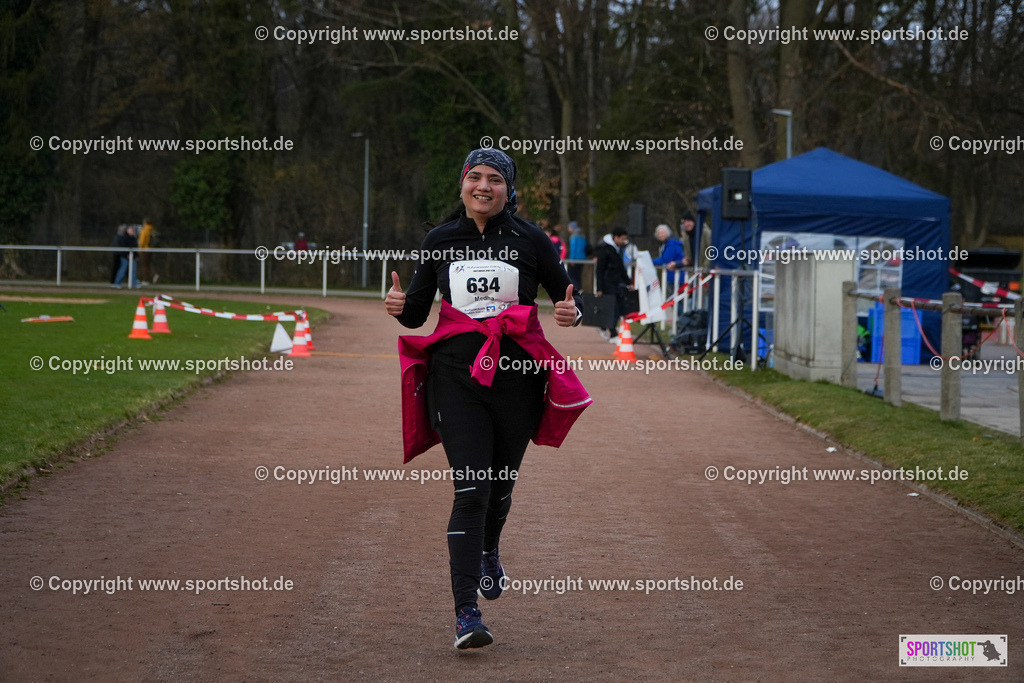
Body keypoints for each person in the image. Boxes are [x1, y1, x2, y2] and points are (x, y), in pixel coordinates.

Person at [385, 148, 591, 650]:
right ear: (462, 185)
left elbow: (568, 296)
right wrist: (398, 306)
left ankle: (489, 550)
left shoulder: (530, 239)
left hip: (518, 380)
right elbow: (416, 313)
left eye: (494, 179)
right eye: (474, 177)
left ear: (508, 189)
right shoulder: (440, 239)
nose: (483, 186)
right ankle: (466, 614)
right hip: (456, 380)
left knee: (499, 489)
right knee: (472, 490)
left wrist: (573, 312)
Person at [594, 227, 633, 341]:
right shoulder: (605, 250)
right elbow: (599, 270)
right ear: (616, 237)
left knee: (618, 307)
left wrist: (629, 283)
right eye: (623, 239)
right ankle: (613, 333)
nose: (624, 241)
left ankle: (604, 326)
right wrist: (599, 288)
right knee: (612, 308)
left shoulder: (617, 250)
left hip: (616, 284)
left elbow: (621, 268)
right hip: (607, 283)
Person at [651, 224, 685, 290]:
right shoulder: (666, 244)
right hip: (672, 276)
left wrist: (651, 261)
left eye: (663, 233)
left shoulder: (671, 244)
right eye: (659, 233)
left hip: (676, 276)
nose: (661, 235)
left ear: (667, 233)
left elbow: (666, 260)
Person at [567, 222, 589, 289]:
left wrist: (572, 259)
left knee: (573, 275)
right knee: (579, 275)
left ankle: (574, 289)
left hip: (575, 259)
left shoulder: (574, 236)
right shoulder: (583, 235)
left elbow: (573, 248)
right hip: (582, 258)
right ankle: (579, 288)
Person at [138, 219, 158, 284]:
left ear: (145, 223)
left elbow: (142, 241)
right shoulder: (152, 230)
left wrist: (139, 250)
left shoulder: (144, 230)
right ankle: (154, 274)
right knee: (149, 263)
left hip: (144, 250)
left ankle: (145, 280)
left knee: (144, 265)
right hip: (151, 249)